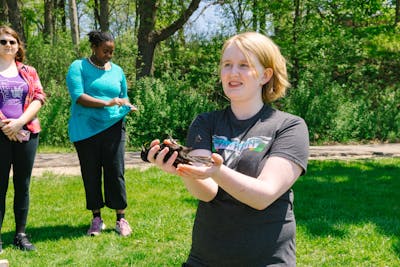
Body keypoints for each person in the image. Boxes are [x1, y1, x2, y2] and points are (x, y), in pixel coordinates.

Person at [146, 32, 309, 266]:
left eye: (244, 65)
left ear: (265, 75)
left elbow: (263, 196)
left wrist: (217, 171)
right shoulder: (205, 122)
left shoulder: (289, 126)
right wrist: (183, 169)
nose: (233, 73)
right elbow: (207, 191)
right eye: (227, 64)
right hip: (206, 258)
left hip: (267, 260)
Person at [66, 30, 137, 237]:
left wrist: (127, 105)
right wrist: (107, 102)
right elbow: (78, 96)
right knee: (91, 173)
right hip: (85, 129)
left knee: (115, 171)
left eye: (112, 52)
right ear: (94, 48)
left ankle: (120, 218)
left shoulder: (117, 71)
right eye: (105, 51)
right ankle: (96, 218)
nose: (109, 55)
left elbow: (123, 96)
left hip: (113, 127)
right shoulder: (78, 66)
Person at [0, 25, 46, 253]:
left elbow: (39, 97)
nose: (8, 45)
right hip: (1, 135)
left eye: (12, 41)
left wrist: (19, 123)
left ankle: (20, 235)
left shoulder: (29, 71)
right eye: (3, 41)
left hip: (27, 134)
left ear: (18, 46)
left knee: (23, 185)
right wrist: (6, 126)